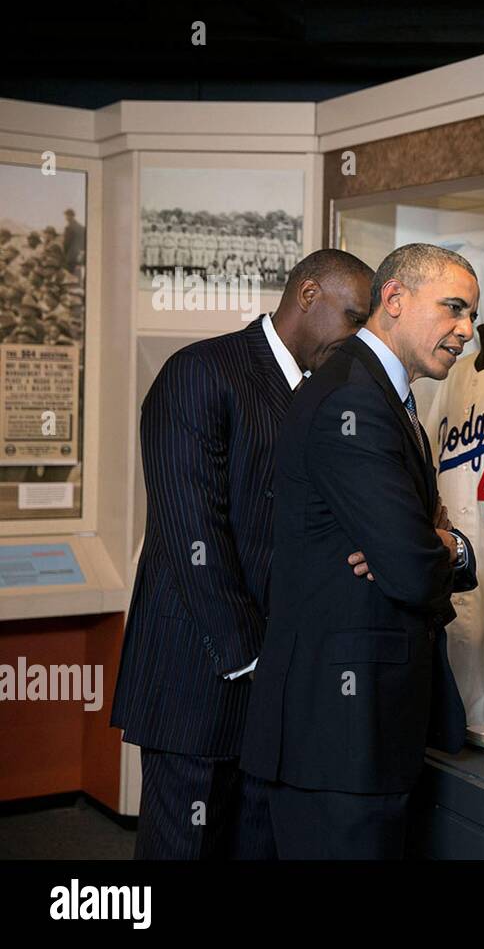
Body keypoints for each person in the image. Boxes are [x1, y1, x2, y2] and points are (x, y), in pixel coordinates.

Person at [111, 249, 376, 860]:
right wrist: (255, 659)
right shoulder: (200, 371)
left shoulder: (326, 394)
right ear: (308, 295)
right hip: (197, 676)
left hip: (278, 686)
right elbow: (193, 534)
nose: (359, 336)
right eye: (354, 317)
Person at [240, 243, 479, 859]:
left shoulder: (381, 394)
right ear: (393, 299)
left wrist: (431, 544)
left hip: (363, 733)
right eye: (454, 308)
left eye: (472, 315)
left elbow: (408, 551)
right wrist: (438, 547)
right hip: (338, 737)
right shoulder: (353, 396)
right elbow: (411, 566)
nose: (466, 330)